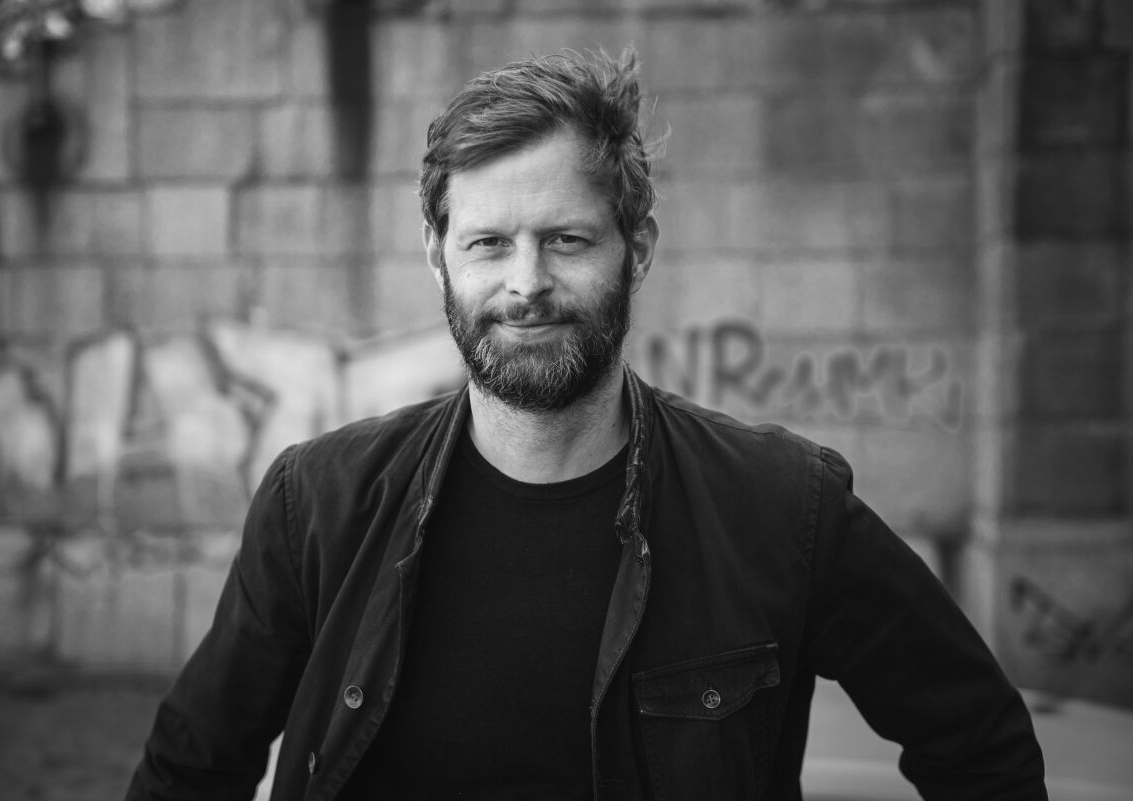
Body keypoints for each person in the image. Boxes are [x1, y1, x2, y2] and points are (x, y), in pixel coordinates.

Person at [127, 49, 1046, 801]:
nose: (526, 283)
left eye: (566, 239)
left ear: (634, 250)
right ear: (438, 258)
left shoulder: (782, 508)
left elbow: (981, 744)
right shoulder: (316, 504)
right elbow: (188, 772)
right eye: (488, 243)